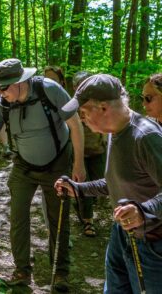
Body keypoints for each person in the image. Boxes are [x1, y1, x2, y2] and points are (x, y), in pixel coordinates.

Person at [0, 58, 85, 290]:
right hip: (23, 165)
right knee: (18, 217)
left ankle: (60, 272)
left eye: (4, 87)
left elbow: (75, 124)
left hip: (57, 162)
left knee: (58, 219)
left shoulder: (50, 90)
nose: (0, 92)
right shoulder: (2, 104)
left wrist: (78, 164)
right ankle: (21, 270)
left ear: (21, 82)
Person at [55, 74, 162, 293]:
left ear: (103, 108)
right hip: (122, 234)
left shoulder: (146, 137)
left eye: (84, 113)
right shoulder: (114, 132)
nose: (82, 120)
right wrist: (80, 190)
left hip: (152, 244)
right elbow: (117, 180)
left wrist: (143, 210)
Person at [72, 71, 107, 237]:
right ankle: (88, 221)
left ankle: (81, 203)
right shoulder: (72, 105)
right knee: (85, 183)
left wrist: (105, 141)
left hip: (98, 150)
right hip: (80, 152)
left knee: (99, 182)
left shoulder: (100, 102)